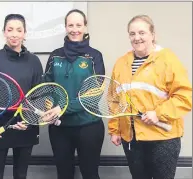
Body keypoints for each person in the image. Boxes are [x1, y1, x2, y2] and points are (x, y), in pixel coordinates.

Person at [108, 15, 192, 179]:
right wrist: (114, 130)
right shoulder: (121, 63)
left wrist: (158, 113)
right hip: (132, 139)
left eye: (142, 32)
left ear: (153, 35)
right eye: (132, 34)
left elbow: (185, 97)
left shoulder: (168, 59)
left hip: (163, 138)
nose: (137, 38)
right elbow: (114, 99)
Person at [43, 9, 106, 179]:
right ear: (65, 27)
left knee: (90, 173)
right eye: (70, 25)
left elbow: (94, 95)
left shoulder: (95, 56)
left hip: (89, 126)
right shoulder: (55, 55)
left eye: (79, 25)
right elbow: (46, 87)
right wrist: (49, 107)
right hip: (59, 128)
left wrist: (63, 107)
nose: (74, 29)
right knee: (64, 174)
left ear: (85, 27)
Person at [0, 14, 43, 179]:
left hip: (25, 126)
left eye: (19, 30)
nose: (14, 34)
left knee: (21, 175)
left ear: (25, 33)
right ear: (4, 32)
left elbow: (38, 96)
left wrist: (29, 121)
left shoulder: (34, 61)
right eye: (10, 30)